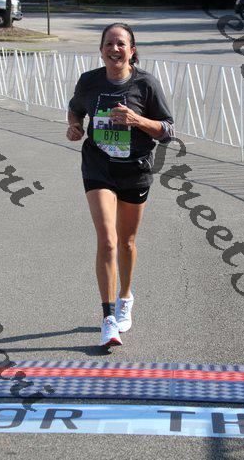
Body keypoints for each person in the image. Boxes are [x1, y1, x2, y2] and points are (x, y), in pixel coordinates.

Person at [66, 23, 174, 347]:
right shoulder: (89, 82)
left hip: (135, 169)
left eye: (121, 44)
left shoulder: (146, 84)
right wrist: (74, 127)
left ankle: (125, 297)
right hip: (98, 166)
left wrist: (136, 120)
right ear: (101, 50)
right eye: (109, 44)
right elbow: (75, 110)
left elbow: (168, 130)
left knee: (126, 242)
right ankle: (108, 318)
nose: (115, 49)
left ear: (132, 51)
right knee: (108, 240)